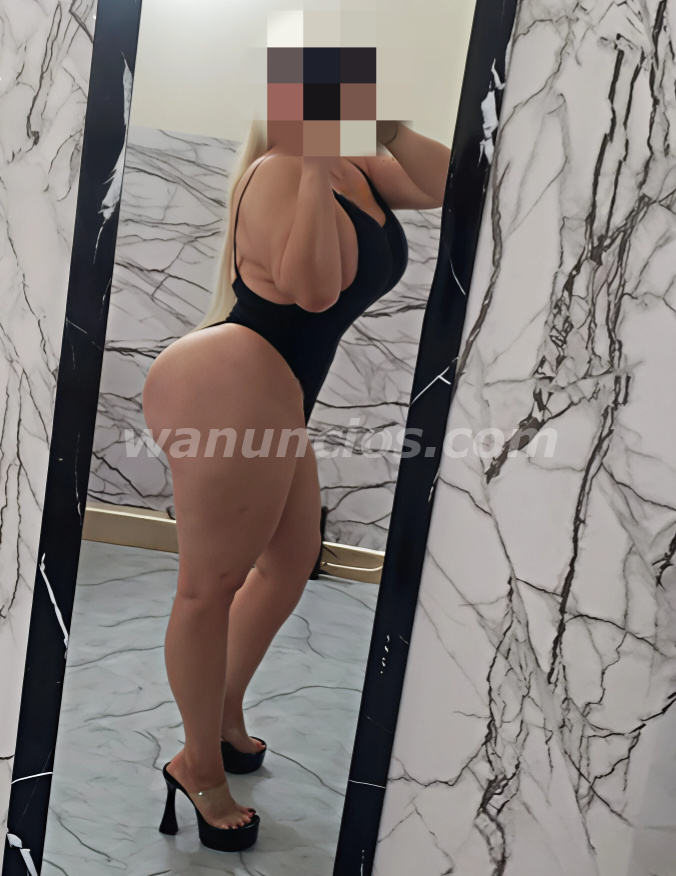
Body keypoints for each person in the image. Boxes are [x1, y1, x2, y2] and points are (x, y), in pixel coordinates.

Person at [141, 114, 450, 851]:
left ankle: (223, 713)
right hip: (228, 381)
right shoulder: (282, 170)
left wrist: (388, 126)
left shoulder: (359, 167)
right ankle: (197, 766)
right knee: (208, 586)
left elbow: (450, 183)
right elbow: (313, 292)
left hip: (274, 388)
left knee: (288, 561)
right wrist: (312, 160)